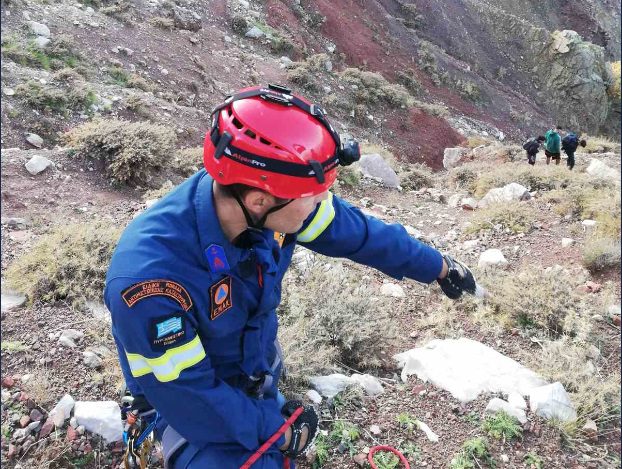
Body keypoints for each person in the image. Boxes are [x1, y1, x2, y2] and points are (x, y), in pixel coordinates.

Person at [104, 84, 481, 469]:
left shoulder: (274, 206)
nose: (321, 203)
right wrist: (279, 431)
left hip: (249, 376)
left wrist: (438, 266)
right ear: (258, 201)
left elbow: (360, 235)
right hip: (185, 410)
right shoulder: (150, 281)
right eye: (313, 196)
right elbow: (191, 398)